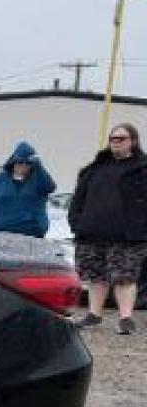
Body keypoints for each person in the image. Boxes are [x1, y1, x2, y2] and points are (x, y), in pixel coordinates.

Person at [69, 122, 147, 334]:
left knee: (125, 277)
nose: (116, 143)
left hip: (128, 236)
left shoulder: (142, 168)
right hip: (92, 233)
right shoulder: (94, 169)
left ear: (133, 141)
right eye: (113, 139)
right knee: (96, 277)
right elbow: (78, 200)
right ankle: (94, 315)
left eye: (121, 138)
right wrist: (77, 223)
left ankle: (125, 319)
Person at [0, 140, 55, 237]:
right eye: (20, 162)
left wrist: (38, 166)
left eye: (28, 163)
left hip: (32, 229)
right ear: (13, 162)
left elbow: (50, 187)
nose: (23, 166)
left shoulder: (38, 179)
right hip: (2, 229)